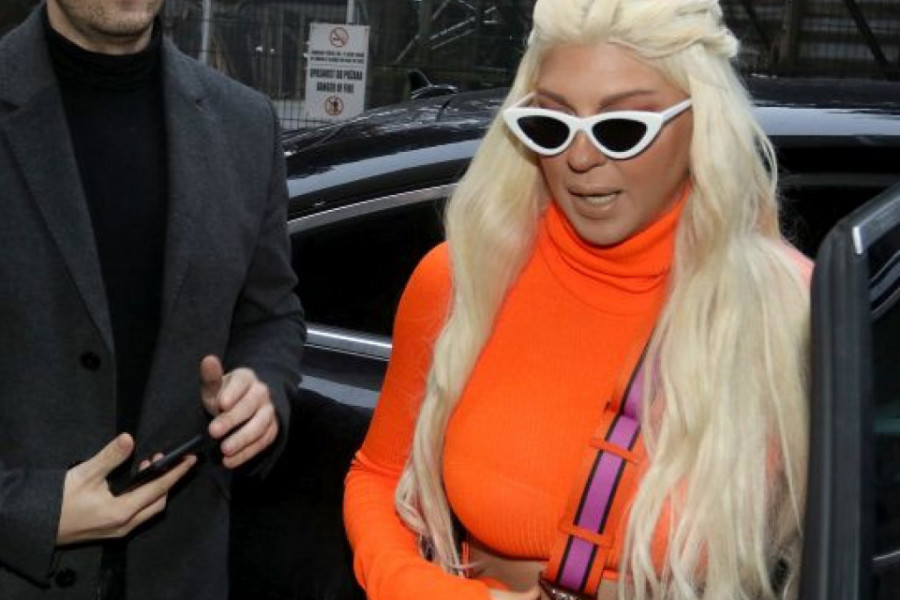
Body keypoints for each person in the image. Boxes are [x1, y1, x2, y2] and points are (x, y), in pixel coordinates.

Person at [343, 1, 812, 599]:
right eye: (551, 126)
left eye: (623, 128)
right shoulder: (466, 280)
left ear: (703, 123)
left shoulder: (787, 313)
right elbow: (378, 476)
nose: (581, 158)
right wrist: (419, 589)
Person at [0, 0, 305, 598]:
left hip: (182, 573)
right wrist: (26, 511)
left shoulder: (246, 124)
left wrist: (261, 387)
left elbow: (271, 315)